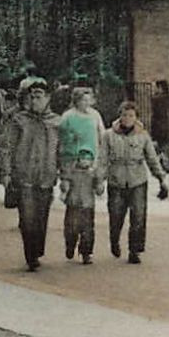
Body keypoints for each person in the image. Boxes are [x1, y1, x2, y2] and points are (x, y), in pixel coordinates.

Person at [0, 77, 61, 271]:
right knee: (27, 218)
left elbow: (62, 150)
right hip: (23, 176)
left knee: (41, 218)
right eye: (32, 97)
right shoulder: (19, 120)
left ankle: (37, 249)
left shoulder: (56, 122)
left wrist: (64, 173)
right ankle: (31, 255)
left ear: (48, 98)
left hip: (46, 176)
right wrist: (6, 172)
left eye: (39, 96)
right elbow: (6, 147)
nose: (35, 101)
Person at [101, 102, 162, 263]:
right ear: (119, 116)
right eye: (124, 115)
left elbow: (152, 158)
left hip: (137, 180)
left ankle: (135, 250)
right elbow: (102, 159)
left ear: (136, 118)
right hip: (116, 180)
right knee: (116, 216)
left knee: (138, 217)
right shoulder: (109, 135)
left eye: (131, 116)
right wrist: (99, 180)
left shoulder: (143, 136)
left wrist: (161, 177)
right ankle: (114, 240)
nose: (127, 119)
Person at [58, 87, 105, 265]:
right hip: (72, 167)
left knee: (87, 217)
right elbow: (63, 143)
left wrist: (99, 167)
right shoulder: (68, 117)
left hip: (91, 167)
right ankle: (70, 243)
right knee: (72, 216)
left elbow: (102, 138)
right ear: (76, 100)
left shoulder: (95, 116)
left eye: (89, 99)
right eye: (83, 100)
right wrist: (65, 172)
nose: (86, 103)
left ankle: (86, 251)